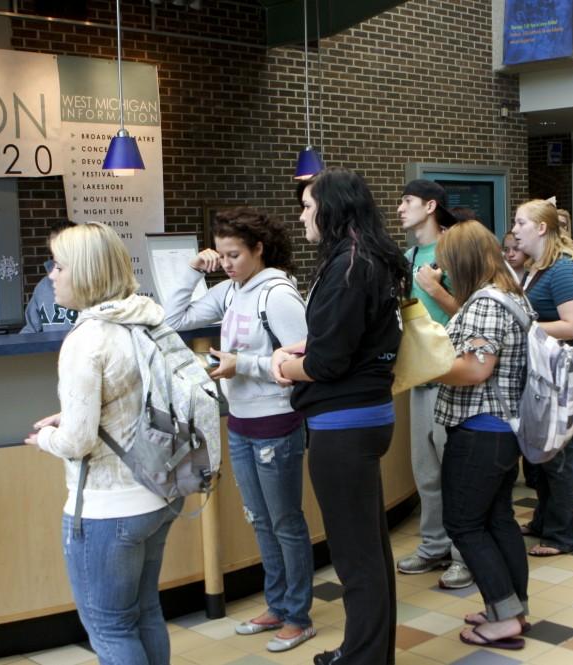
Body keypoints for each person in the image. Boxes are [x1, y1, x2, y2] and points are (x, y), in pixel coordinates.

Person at [24, 222, 181, 663]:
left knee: (110, 628)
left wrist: (47, 438)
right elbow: (129, 402)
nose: (51, 275)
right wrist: (71, 419)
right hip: (158, 491)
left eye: (58, 266)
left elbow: (76, 442)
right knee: (146, 611)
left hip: (107, 509)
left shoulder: (86, 339)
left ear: (87, 272)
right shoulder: (147, 320)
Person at [271, 167, 409, 665]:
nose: (302, 214)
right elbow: (352, 339)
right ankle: (364, 651)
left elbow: (329, 363)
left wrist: (285, 366)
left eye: (308, 206)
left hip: (343, 425)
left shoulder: (349, 265)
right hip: (364, 417)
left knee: (357, 557)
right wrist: (308, 347)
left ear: (331, 210)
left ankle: (365, 660)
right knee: (368, 549)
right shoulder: (368, 259)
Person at [162, 208, 315, 652]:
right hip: (242, 422)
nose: (227, 263)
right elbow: (174, 320)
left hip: (276, 420)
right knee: (261, 520)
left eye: (235, 255)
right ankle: (278, 604)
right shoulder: (231, 291)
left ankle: (298, 615)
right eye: (222, 255)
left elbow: (305, 362)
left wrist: (240, 364)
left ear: (258, 250)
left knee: (286, 521)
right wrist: (192, 271)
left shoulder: (279, 295)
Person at [433, 222, 532, 651]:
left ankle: (503, 618)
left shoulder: (485, 303)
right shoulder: (509, 292)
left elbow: (476, 369)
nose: (444, 271)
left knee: (463, 523)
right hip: (502, 430)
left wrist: (424, 366)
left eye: (447, 263)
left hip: (481, 430)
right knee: (497, 519)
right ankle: (511, 607)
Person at [393, 179, 472, 590]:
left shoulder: (454, 251)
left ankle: (464, 554)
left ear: (430, 205)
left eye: (407, 201)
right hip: (419, 374)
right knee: (425, 469)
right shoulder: (407, 257)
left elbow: (470, 313)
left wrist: (434, 288)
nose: (400, 208)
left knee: (452, 468)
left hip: (452, 373)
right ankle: (434, 545)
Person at [511, 199, 573, 556]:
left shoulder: (564, 269)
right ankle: (544, 520)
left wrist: (526, 327)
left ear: (541, 228)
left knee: (558, 455)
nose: (514, 231)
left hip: (561, 373)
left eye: (520, 223)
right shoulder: (535, 268)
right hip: (543, 372)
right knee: (541, 456)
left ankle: (564, 535)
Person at [21, 220, 79, 333]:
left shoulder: (99, 286)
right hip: (51, 351)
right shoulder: (43, 286)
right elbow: (31, 330)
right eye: (55, 246)